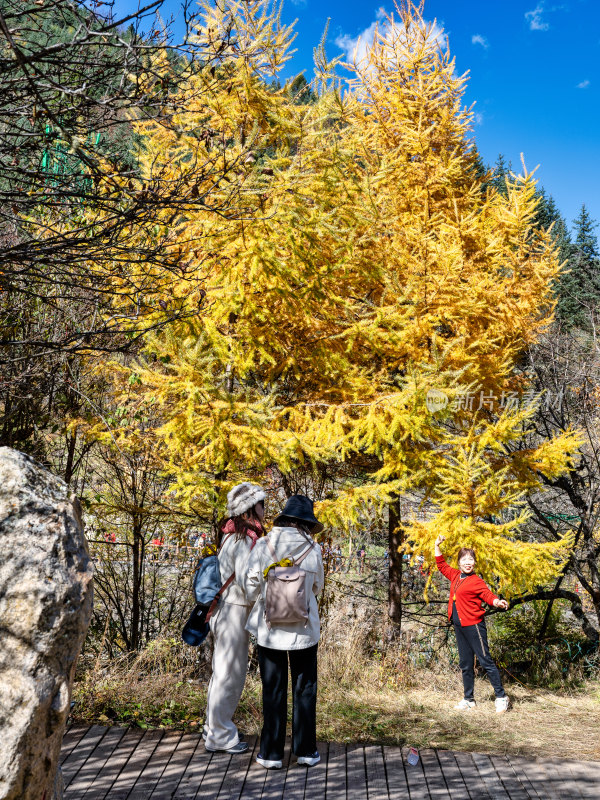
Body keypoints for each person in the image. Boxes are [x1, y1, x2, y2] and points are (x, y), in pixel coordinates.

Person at [244, 495, 325, 770]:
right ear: (306, 522)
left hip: (270, 630)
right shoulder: (313, 548)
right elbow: (316, 588)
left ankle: (270, 754)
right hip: (304, 630)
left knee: (273, 690)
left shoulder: (264, 544)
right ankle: (305, 750)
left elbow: (250, 586)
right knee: (305, 689)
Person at [203, 482, 266, 754]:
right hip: (234, 611)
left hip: (224, 609)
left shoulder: (232, 535)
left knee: (221, 673)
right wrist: (268, 583)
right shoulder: (243, 540)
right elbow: (248, 584)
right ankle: (220, 736)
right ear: (250, 509)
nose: (266, 509)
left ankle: (213, 729)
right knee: (230, 675)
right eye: (261, 504)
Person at [434, 534, 510, 713]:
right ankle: (469, 699)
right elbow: (441, 564)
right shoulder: (455, 576)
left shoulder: (476, 581)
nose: (468, 563)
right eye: (464, 560)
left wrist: (497, 602)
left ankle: (501, 697)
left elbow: (487, 595)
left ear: (474, 563)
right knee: (466, 663)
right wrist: (437, 545)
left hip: (474, 625)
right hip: (459, 626)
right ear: (459, 562)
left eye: (471, 560)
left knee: (485, 660)